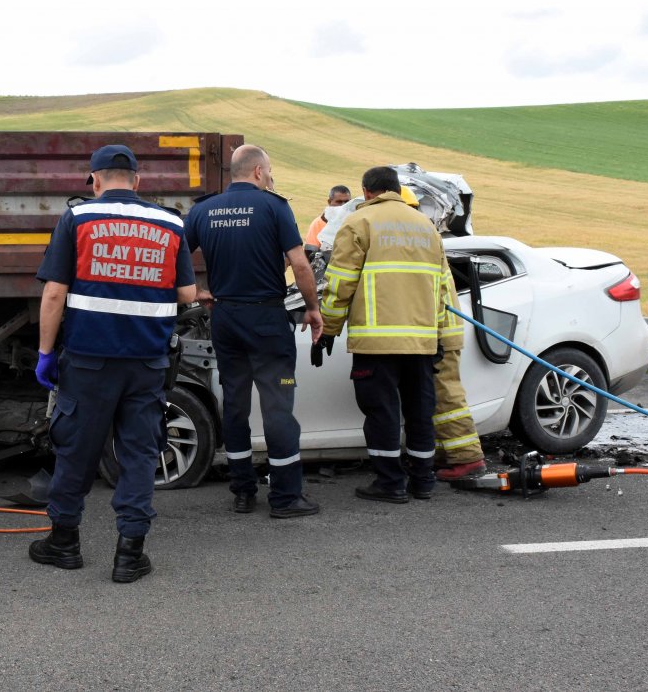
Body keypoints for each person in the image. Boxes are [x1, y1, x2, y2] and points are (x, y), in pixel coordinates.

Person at [29, 144, 196, 584]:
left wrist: (46, 353)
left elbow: (53, 293)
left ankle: (63, 543)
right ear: (137, 181)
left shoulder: (78, 218)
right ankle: (130, 554)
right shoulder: (170, 222)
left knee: (77, 450)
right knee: (139, 453)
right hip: (147, 362)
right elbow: (187, 295)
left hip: (89, 361)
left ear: (96, 180)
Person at [184, 144, 323, 518]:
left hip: (225, 319)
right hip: (266, 321)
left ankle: (243, 491)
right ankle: (285, 497)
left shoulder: (203, 210)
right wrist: (312, 308)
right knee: (279, 405)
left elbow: (174, 255)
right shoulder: (274, 207)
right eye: (271, 171)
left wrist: (196, 292)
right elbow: (300, 264)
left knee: (235, 405)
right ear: (259, 172)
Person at [313, 166, 448, 503]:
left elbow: (339, 283)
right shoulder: (426, 227)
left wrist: (328, 329)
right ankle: (423, 481)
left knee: (381, 411)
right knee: (419, 410)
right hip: (421, 339)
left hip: (377, 342)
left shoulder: (360, 223)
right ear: (397, 189)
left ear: (367, 191)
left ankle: (390, 483)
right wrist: (439, 336)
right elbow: (442, 289)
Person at [431, 266, 487, 480]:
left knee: (446, 398)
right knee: (434, 398)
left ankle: (468, 459)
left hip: (440, 332)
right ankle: (444, 455)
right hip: (440, 328)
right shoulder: (426, 237)